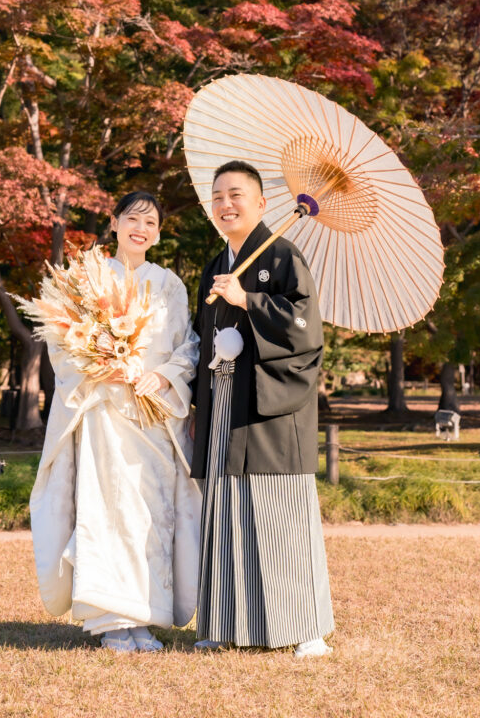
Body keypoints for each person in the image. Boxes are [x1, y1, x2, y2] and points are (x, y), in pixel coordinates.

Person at [29, 191, 201, 652]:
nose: (140, 228)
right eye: (132, 218)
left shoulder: (170, 285)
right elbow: (63, 344)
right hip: (105, 412)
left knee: (150, 517)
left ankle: (143, 618)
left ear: (159, 233)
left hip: (153, 419)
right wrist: (106, 364)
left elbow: (188, 348)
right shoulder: (90, 278)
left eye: (150, 222)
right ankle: (110, 622)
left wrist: (160, 377)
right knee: (109, 515)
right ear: (115, 223)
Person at [191, 161, 334, 655]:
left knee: (278, 514)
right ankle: (225, 624)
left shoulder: (284, 255)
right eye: (218, 197)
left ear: (260, 203)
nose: (226, 204)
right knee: (225, 511)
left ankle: (306, 629)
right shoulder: (216, 264)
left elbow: (305, 328)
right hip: (224, 401)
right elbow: (202, 335)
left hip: (269, 405)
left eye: (236, 194)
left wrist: (248, 300)